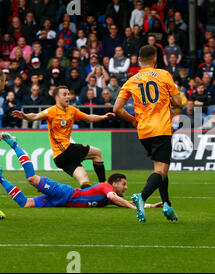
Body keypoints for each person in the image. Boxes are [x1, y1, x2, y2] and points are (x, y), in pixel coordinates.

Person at [0, 132, 162, 209]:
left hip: (62, 203)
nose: (126, 188)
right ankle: (14, 144)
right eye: (124, 184)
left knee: (25, 204)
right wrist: (136, 209)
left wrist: (149, 205)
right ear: (115, 184)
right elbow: (122, 201)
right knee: (31, 179)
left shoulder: (111, 198)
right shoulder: (106, 188)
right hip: (64, 193)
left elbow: (126, 202)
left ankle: (1, 178)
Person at [114, 45, 182, 223]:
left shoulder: (131, 80)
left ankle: (167, 205)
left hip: (144, 131)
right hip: (161, 128)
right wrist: (170, 100)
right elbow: (177, 101)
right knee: (161, 170)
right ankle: (142, 196)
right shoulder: (163, 74)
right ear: (154, 60)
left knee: (160, 169)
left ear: (138, 60)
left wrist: (134, 120)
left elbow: (117, 109)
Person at [11, 85, 115, 188]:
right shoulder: (51, 111)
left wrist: (103, 117)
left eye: (68, 94)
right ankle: (105, 186)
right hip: (64, 149)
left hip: (60, 158)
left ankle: (87, 199)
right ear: (57, 97)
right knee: (97, 153)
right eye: (64, 94)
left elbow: (88, 117)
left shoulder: (72, 110)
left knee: (84, 178)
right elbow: (35, 116)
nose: (68, 97)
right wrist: (24, 116)